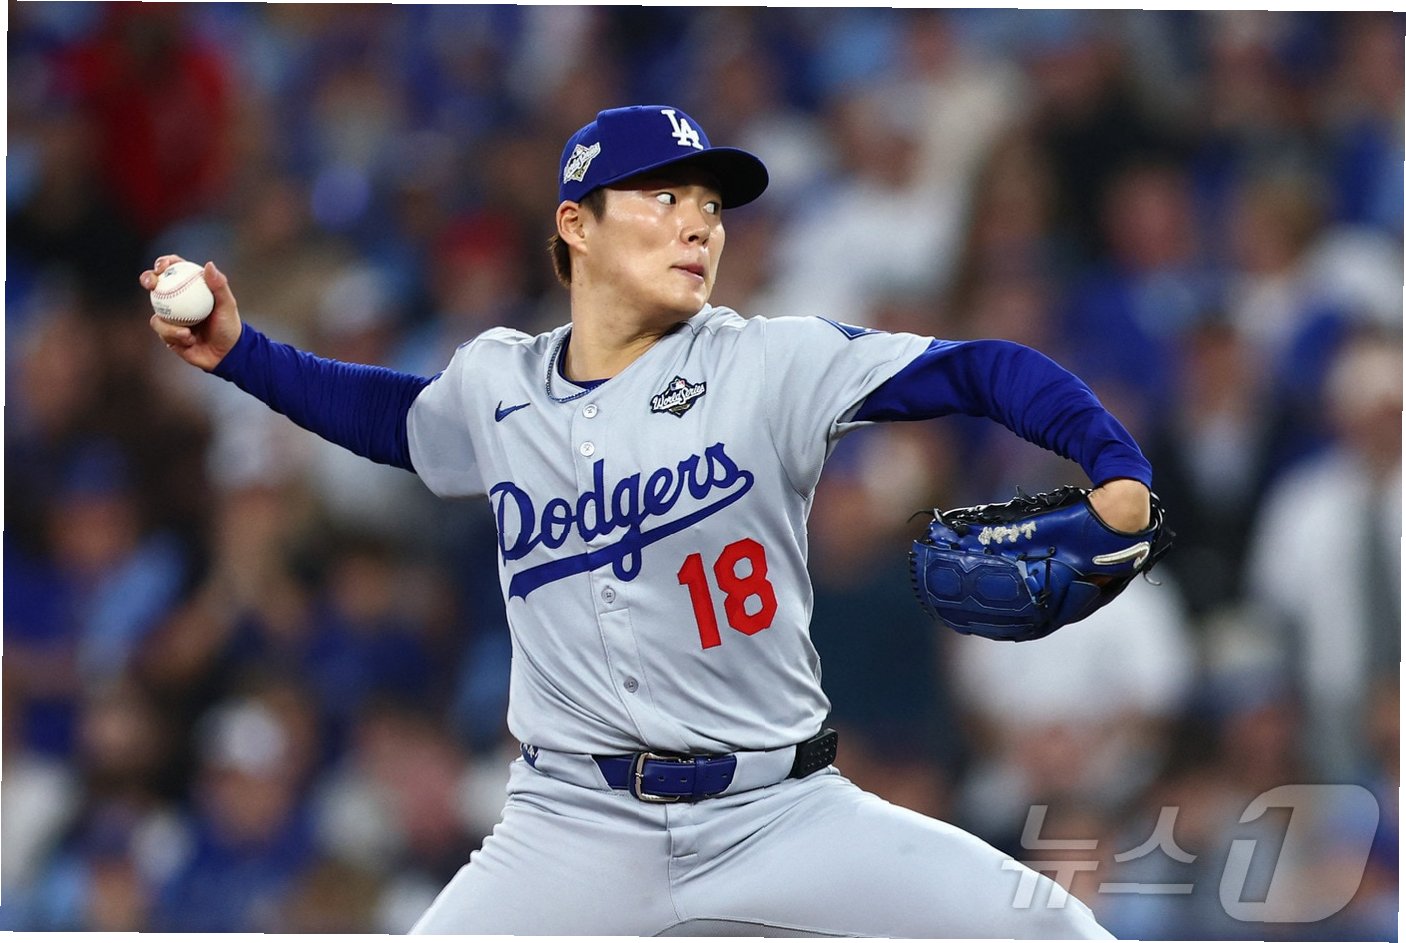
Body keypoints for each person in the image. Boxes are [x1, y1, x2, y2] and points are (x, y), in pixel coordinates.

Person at [144, 104, 1155, 937]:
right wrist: (241, 354)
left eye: (709, 205)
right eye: (663, 198)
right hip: (571, 825)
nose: (698, 225)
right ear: (577, 225)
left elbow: (978, 368)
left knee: (1051, 929)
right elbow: (393, 419)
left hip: (778, 809)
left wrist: (1112, 462)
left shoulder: (769, 361)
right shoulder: (497, 384)